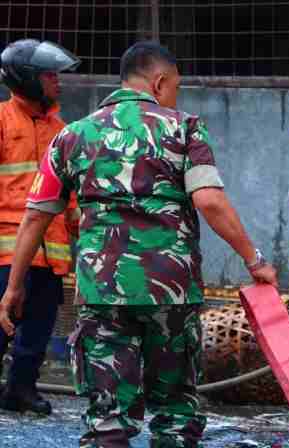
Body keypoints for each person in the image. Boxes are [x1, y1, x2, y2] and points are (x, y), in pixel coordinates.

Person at [0, 41, 278, 447]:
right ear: (159, 82)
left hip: (102, 291)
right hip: (171, 291)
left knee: (108, 419)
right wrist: (254, 260)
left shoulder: (72, 135)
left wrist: (13, 287)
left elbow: (35, 217)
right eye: (175, 87)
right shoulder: (184, 128)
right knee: (176, 413)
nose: (175, 96)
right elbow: (210, 201)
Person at [0, 38, 80, 415]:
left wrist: (81, 231)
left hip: (51, 252)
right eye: (50, 76)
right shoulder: (2, 121)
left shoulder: (62, 131)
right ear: (28, 79)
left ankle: (21, 390)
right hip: (7, 248)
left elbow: (72, 194)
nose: (57, 82)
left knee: (39, 326)